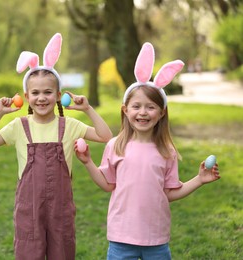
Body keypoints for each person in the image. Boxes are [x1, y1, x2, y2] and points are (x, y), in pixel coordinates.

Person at [75, 42, 221, 260]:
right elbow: (107, 184)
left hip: (156, 237)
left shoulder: (166, 151)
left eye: (150, 107)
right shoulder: (115, 145)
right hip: (121, 236)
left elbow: (170, 192)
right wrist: (88, 162)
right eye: (136, 106)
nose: (143, 112)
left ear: (161, 113)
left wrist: (199, 180)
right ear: (125, 110)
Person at [0, 33, 112, 260]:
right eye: (36, 93)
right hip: (28, 210)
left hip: (60, 209)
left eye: (48, 92)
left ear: (59, 96)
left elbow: (105, 136)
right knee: (29, 251)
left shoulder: (68, 125)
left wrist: (87, 109)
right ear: (27, 96)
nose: (42, 98)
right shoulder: (19, 126)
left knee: (62, 249)